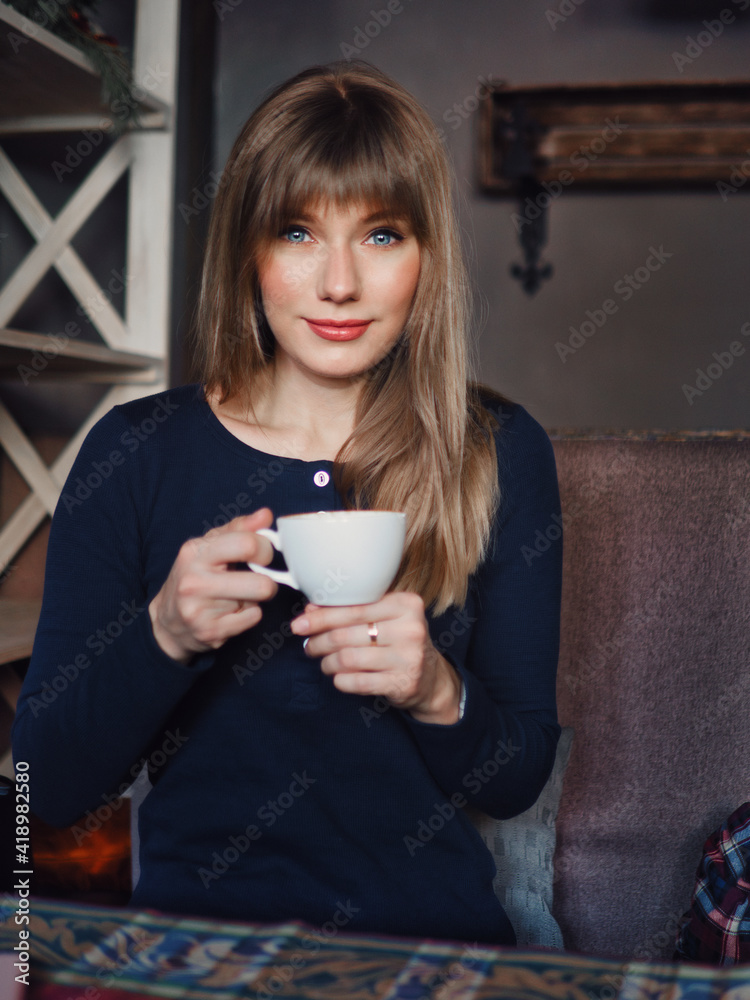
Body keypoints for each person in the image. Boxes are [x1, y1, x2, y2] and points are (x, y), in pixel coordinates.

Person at [12, 62, 563, 947]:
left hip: (431, 948)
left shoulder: (497, 449)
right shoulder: (136, 452)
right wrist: (164, 637)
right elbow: (46, 782)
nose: (339, 283)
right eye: (298, 233)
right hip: (197, 951)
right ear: (246, 251)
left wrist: (434, 689)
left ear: (428, 258)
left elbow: (516, 776)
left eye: (381, 235)